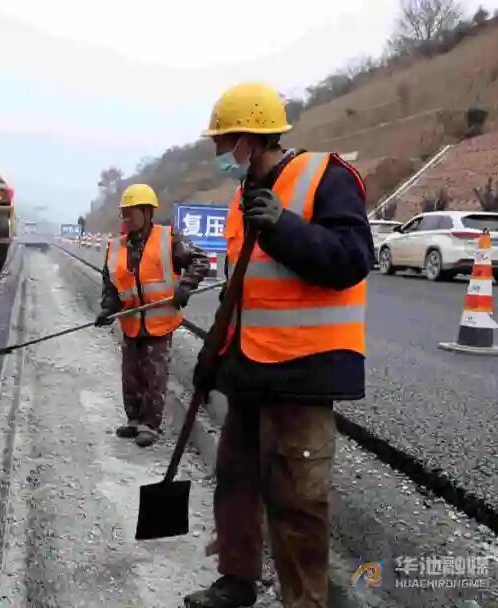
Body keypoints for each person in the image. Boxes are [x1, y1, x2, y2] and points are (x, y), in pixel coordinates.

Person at [184, 82, 374, 608]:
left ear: (248, 140)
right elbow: (242, 291)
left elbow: (352, 259)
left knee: (298, 501)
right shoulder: (241, 198)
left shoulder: (325, 176)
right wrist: (212, 358)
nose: (220, 154)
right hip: (250, 371)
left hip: (304, 374)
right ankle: (236, 580)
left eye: (223, 144)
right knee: (236, 482)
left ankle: (304, 602)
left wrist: (284, 227)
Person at [96, 184, 209, 447]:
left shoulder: (169, 239)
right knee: (131, 375)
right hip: (131, 323)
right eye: (123, 212)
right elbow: (111, 282)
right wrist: (108, 308)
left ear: (147, 212)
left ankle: (150, 425)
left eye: (131, 212)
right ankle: (134, 420)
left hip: (160, 323)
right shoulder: (116, 247)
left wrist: (186, 285)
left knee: (154, 376)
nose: (125, 218)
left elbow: (200, 260)